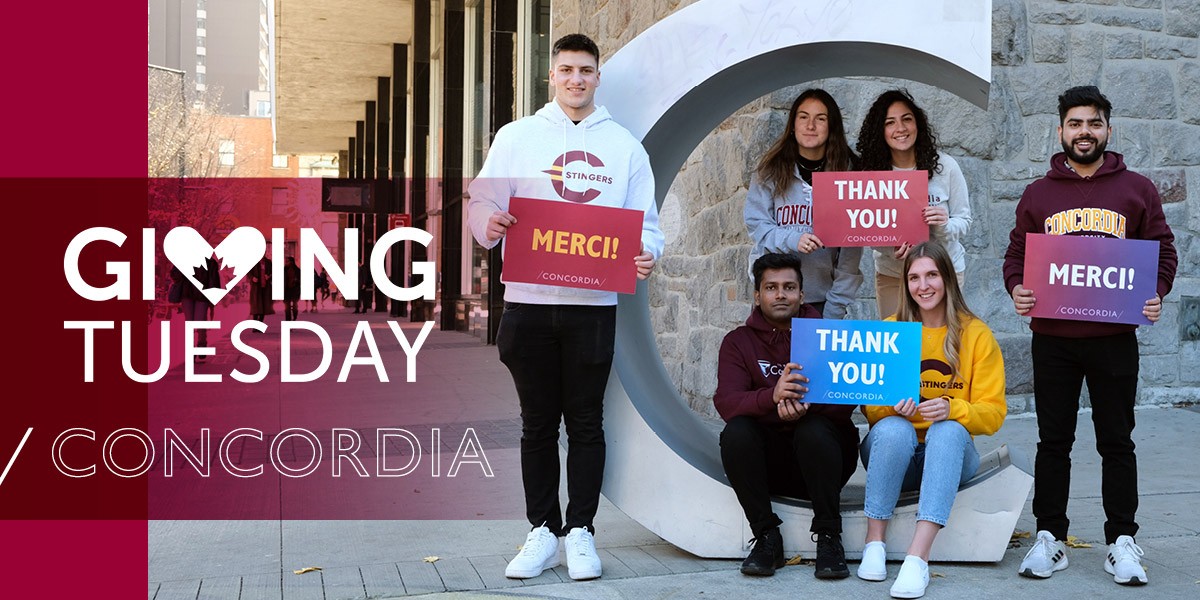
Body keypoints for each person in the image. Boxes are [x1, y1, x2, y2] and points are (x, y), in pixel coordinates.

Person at [466, 33, 663, 582]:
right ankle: (541, 532)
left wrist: (647, 254)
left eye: (586, 70)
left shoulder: (624, 146)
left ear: (598, 77)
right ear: (551, 76)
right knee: (535, 425)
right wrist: (490, 223)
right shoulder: (516, 137)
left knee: (585, 422)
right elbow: (481, 200)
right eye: (567, 70)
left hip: (592, 305)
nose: (576, 79)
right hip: (528, 305)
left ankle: (581, 532)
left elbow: (645, 223)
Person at [1004, 86, 1176, 587]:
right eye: (1075, 123)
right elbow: (1017, 256)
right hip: (1054, 336)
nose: (1085, 132)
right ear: (1060, 130)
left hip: (1113, 334)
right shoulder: (1039, 193)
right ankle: (1049, 536)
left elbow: (1163, 252)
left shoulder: (1137, 189)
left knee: (1116, 440)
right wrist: (1017, 288)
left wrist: (1155, 291)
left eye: (1094, 123)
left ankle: (1122, 540)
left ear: (1108, 129)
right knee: (1052, 440)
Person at [857, 241, 1005, 599]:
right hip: (898, 456)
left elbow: (994, 413)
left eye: (932, 275)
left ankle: (917, 558)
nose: (923, 286)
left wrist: (954, 408)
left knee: (949, 430)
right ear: (905, 284)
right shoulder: (892, 330)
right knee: (891, 428)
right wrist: (894, 408)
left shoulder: (976, 334)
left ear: (948, 279)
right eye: (914, 278)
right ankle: (873, 543)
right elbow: (870, 407)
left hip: (951, 456)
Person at [715, 253, 859, 579]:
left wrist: (805, 404)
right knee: (736, 432)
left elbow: (848, 401)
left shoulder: (828, 336)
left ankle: (828, 537)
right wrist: (773, 396)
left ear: (802, 295)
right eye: (772, 287)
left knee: (813, 429)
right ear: (757, 295)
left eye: (789, 287)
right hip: (770, 466)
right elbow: (728, 402)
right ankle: (766, 537)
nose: (781, 294)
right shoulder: (738, 342)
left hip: (824, 460)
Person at [745, 88, 863, 320]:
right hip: (774, 297)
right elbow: (757, 226)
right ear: (793, 125)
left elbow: (850, 254)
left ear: (832, 128)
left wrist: (833, 311)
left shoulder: (849, 177)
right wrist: (793, 239)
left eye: (821, 118)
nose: (811, 125)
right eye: (803, 117)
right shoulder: (770, 170)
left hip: (820, 301)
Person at [856, 90, 971, 319]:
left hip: (943, 273)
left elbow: (964, 220)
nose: (901, 128)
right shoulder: (870, 175)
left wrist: (944, 225)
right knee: (898, 350)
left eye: (907, 119)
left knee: (942, 346)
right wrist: (891, 246)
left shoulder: (945, 167)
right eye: (890, 122)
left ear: (917, 124)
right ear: (881, 131)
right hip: (893, 276)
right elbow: (863, 230)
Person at [171, 255, 222, 362]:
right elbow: (174, 274)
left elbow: (215, 281)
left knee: (200, 320)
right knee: (189, 323)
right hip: (187, 295)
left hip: (202, 296)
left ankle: (202, 344)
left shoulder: (210, 262)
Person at [247, 256, 272, 322]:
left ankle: (260, 323)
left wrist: (269, 276)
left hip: (265, 287)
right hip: (256, 287)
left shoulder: (268, 262)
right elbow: (248, 272)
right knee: (256, 306)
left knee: (264, 306)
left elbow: (273, 272)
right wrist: (252, 278)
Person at [283, 256, 300, 321]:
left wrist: (297, 280)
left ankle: (295, 316)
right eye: (286, 261)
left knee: (295, 307)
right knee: (287, 308)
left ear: (292, 262)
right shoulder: (283, 270)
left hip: (295, 290)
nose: (286, 263)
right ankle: (288, 321)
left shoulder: (297, 270)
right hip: (286, 291)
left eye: (287, 261)